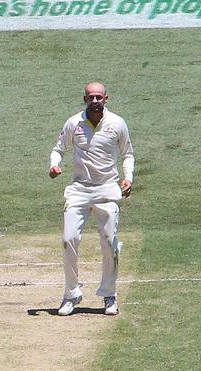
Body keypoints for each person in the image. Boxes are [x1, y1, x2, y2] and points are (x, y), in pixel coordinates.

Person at [50, 82, 135, 317]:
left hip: (107, 189)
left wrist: (128, 178)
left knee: (109, 241)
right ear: (85, 99)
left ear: (106, 98)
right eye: (91, 97)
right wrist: (54, 164)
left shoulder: (117, 123)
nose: (95, 101)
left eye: (99, 97)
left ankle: (109, 294)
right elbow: (58, 149)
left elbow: (127, 154)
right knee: (69, 239)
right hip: (79, 189)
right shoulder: (73, 123)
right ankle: (71, 293)